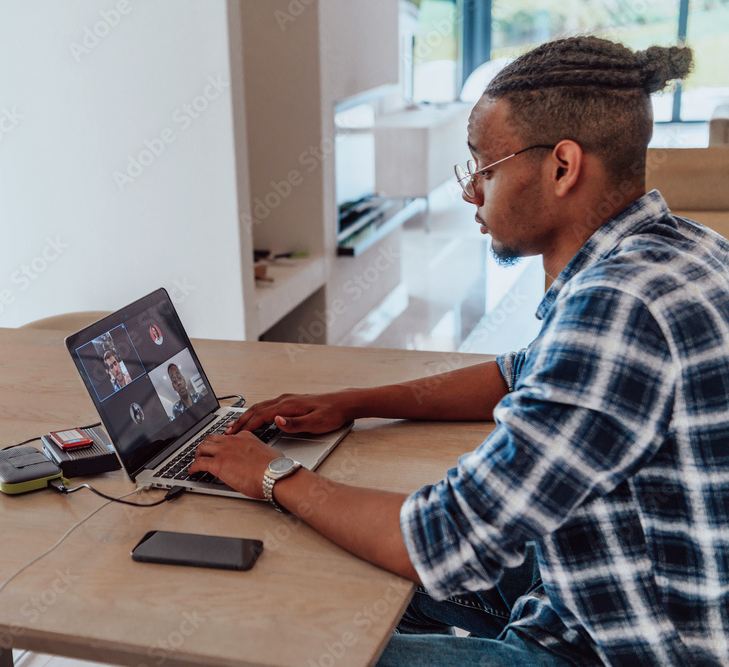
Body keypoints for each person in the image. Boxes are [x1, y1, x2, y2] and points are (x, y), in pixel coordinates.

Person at [190, 36, 728, 665]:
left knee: (291, 644)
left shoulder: (617, 309)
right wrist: (352, 402)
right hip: (598, 584)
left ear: (563, 166)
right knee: (335, 567)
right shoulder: (686, 249)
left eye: (485, 167)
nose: (471, 191)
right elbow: (522, 372)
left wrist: (272, 475)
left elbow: (444, 538)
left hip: (617, 648)